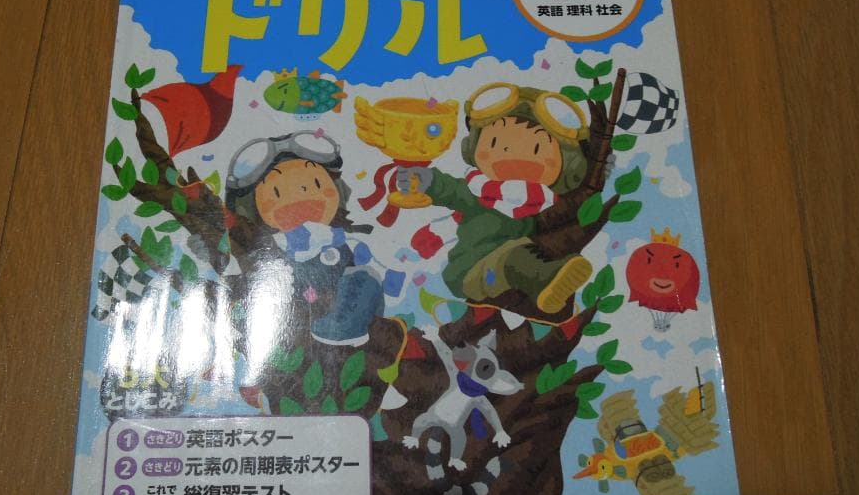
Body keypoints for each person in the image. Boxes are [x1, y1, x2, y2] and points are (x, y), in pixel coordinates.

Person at [400, 83, 593, 315]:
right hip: (471, 269)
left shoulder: (544, 204)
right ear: (473, 147)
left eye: (536, 149)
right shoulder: (478, 193)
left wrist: (598, 172)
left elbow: (576, 201)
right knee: (515, 257)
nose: (513, 157)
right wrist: (430, 180)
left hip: (516, 259)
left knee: (519, 253)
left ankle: (549, 284)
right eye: (495, 144)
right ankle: (546, 278)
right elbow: (455, 191)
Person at [225, 131, 390, 345]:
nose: (301, 196)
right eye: (278, 192)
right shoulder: (272, 249)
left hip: (335, 309)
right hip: (293, 315)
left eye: (316, 184)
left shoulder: (335, 241)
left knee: (366, 277)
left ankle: (344, 328)